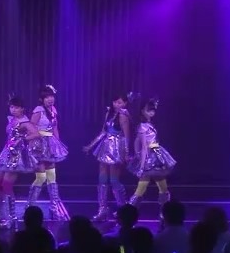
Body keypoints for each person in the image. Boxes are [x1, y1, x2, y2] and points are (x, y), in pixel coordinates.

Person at [82, 92, 135, 222]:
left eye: (120, 102)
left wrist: (126, 153)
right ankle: (102, 209)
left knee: (114, 180)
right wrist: (90, 145)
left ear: (125, 103)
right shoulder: (109, 113)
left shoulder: (123, 116)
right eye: (115, 102)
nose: (117, 104)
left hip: (117, 148)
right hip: (105, 147)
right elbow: (103, 132)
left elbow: (127, 136)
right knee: (102, 179)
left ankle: (123, 209)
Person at [0, 95, 40, 228]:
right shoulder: (12, 119)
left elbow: (36, 134)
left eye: (16, 107)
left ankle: (11, 217)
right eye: (11, 107)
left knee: (6, 185)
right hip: (6, 153)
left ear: (22, 108)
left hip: (16, 156)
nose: (13, 109)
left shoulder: (25, 122)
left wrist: (23, 139)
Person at [126, 98, 176, 216]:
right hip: (150, 156)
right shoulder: (143, 126)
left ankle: (164, 213)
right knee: (143, 186)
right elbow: (143, 146)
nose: (152, 113)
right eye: (149, 110)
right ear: (142, 111)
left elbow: (138, 141)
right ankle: (128, 211)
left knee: (162, 187)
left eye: (153, 110)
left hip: (156, 154)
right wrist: (141, 164)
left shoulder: (148, 124)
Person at [27, 85, 70, 220]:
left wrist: (57, 144)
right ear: (42, 99)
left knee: (52, 177)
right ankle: (30, 207)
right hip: (39, 145)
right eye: (47, 97)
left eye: (52, 96)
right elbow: (30, 127)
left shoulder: (53, 110)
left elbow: (55, 128)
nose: (50, 99)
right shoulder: (38, 110)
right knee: (41, 177)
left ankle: (54, 207)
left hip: (50, 146)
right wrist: (32, 144)